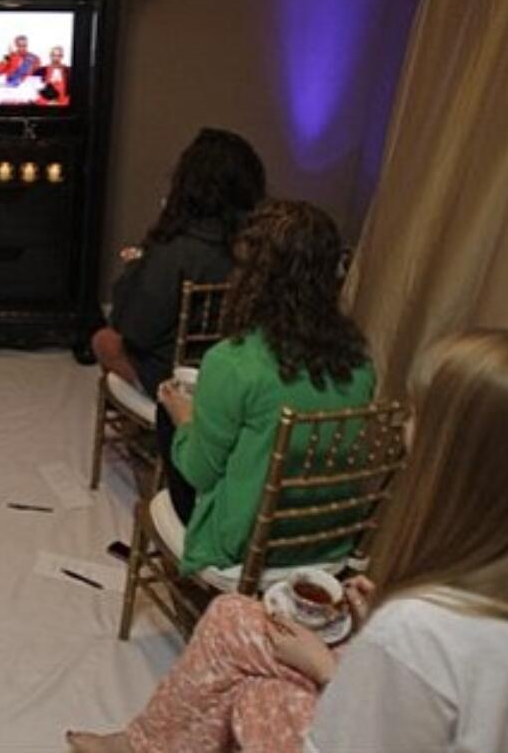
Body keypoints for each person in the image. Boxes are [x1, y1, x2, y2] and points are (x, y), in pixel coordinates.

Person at [68, 328, 508, 753]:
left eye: (418, 414)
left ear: (459, 460)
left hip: (325, 660)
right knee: (230, 617)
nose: (401, 425)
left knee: (256, 695)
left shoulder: (424, 629)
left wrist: (328, 669)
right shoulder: (355, 363)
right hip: (351, 612)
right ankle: (143, 744)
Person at [154, 200, 375, 562]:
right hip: (326, 539)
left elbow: (199, 473)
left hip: (247, 544)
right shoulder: (360, 363)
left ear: (253, 279)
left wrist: (183, 415)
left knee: (169, 408)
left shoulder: (232, 362)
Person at [93, 128, 266, 398]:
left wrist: (135, 268)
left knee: (103, 341)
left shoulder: (176, 248)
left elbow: (134, 328)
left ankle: (164, 404)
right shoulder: (263, 244)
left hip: (179, 373)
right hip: (238, 365)